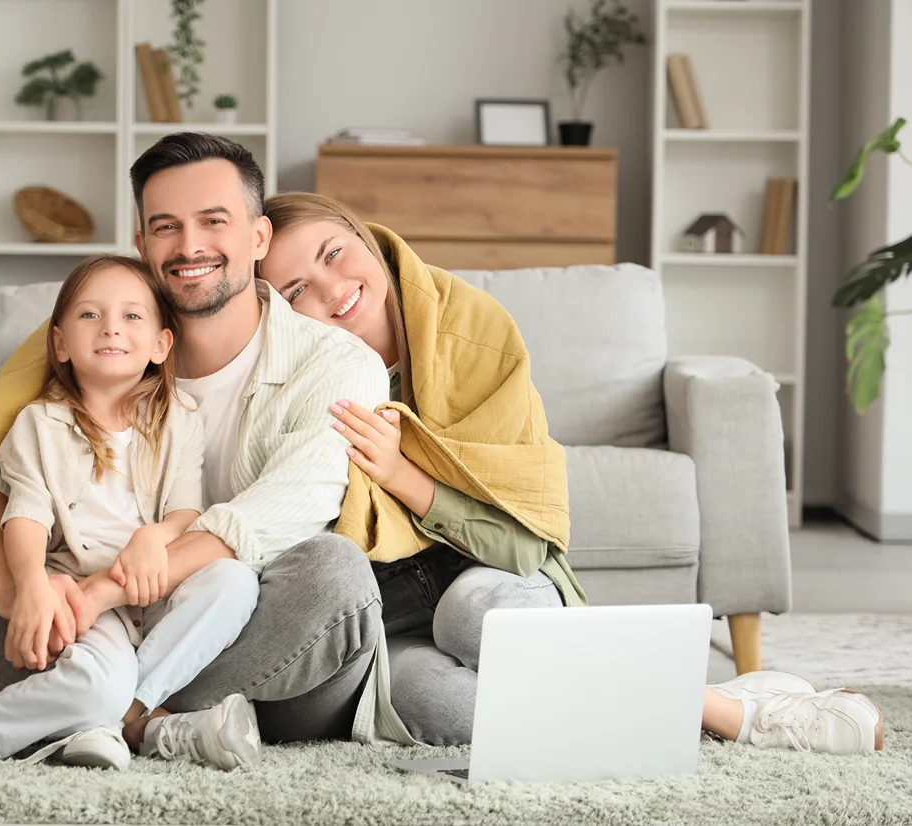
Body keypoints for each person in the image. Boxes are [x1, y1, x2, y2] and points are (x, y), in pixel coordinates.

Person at [257, 191, 885, 756]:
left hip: (492, 580)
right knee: (428, 700)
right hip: (393, 622)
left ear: (363, 236)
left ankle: (732, 714)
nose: (329, 288)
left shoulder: (470, 331)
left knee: (474, 615)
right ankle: (707, 699)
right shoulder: (299, 390)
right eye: (294, 291)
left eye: (333, 253)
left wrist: (400, 471)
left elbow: (525, 542)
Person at [0, 133, 390, 764]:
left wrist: (106, 589)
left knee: (336, 576)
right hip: (85, 628)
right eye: (166, 226)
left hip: (254, 655)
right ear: (142, 245)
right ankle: (141, 722)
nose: (190, 247)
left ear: (258, 238)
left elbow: (279, 511)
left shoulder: (338, 364)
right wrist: (19, 589)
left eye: (213, 222)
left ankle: (75, 709)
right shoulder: (102, 340)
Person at [0, 255, 263, 770]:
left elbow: (185, 511)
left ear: (161, 344)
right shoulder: (39, 424)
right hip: (80, 600)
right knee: (96, 681)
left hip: (153, 591)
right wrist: (30, 587)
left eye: (132, 316)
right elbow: (24, 515)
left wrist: (155, 536)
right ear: (61, 343)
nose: (112, 326)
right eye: (91, 315)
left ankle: (120, 717)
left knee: (234, 581)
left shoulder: (180, 417)